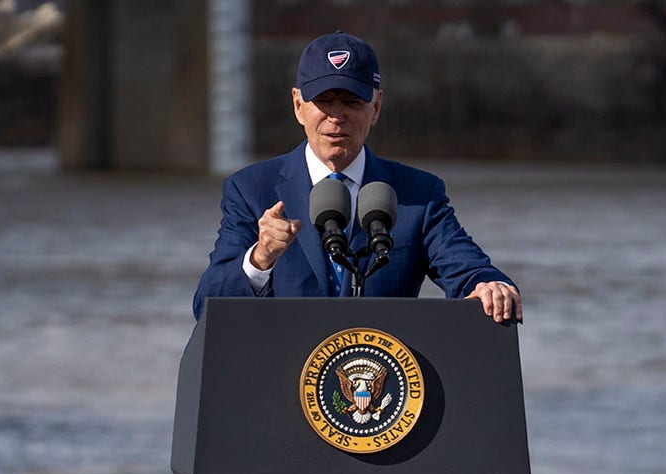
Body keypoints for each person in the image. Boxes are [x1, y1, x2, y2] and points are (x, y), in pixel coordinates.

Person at [193, 31, 521, 324]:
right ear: (298, 105)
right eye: (323, 101)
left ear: (375, 107)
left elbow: (470, 270)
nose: (337, 117)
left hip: (388, 382)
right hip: (284, 384)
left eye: (351, 102)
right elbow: (206, 305)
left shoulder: (419, 194)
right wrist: (260, 257)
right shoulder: (251, 190)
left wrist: (490, 287)